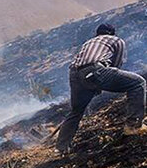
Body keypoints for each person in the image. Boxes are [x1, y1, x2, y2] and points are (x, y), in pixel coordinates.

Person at [56, 23, 146, 153]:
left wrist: (94, 85)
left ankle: (61, 148)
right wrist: (102, 82)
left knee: (76, 111)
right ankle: (133, 126)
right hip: (96, 70)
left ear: (98, 33)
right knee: (138, 83)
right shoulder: (116, 40)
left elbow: (82, 64)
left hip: (75, 75)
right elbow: (116, 65)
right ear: (112, 33)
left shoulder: (88, 42)